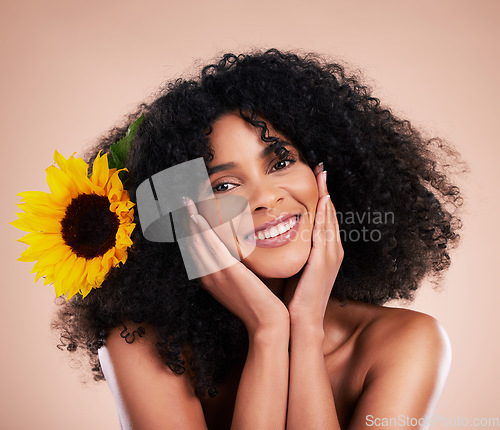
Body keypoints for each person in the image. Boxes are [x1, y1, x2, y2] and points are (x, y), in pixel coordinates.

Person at [48, 49, 463, 429]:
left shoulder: (405, 343)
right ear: (183, 218)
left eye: (281, 162)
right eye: (224, 186)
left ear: (326, 171)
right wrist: (267, 331)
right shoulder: (139, 344)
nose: (265, 198)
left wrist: (305, 330)